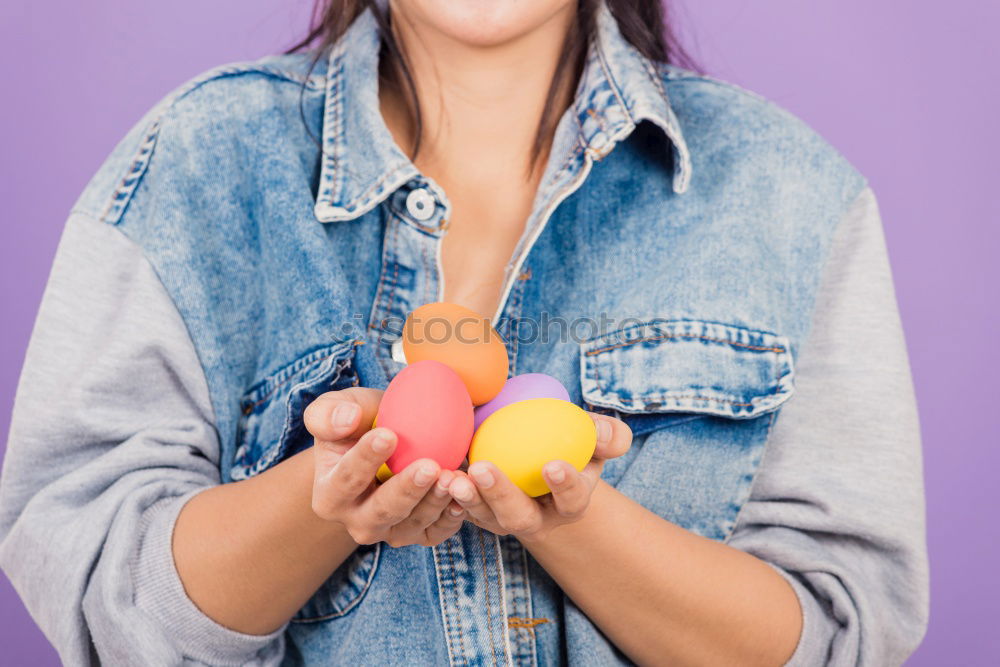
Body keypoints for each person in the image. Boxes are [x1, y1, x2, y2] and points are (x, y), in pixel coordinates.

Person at [0, 0, 929, 665]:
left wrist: (575, 520)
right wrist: (327, 493)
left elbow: (841, 631)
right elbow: (98, 598)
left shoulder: (789, 196)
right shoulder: (196, 171)